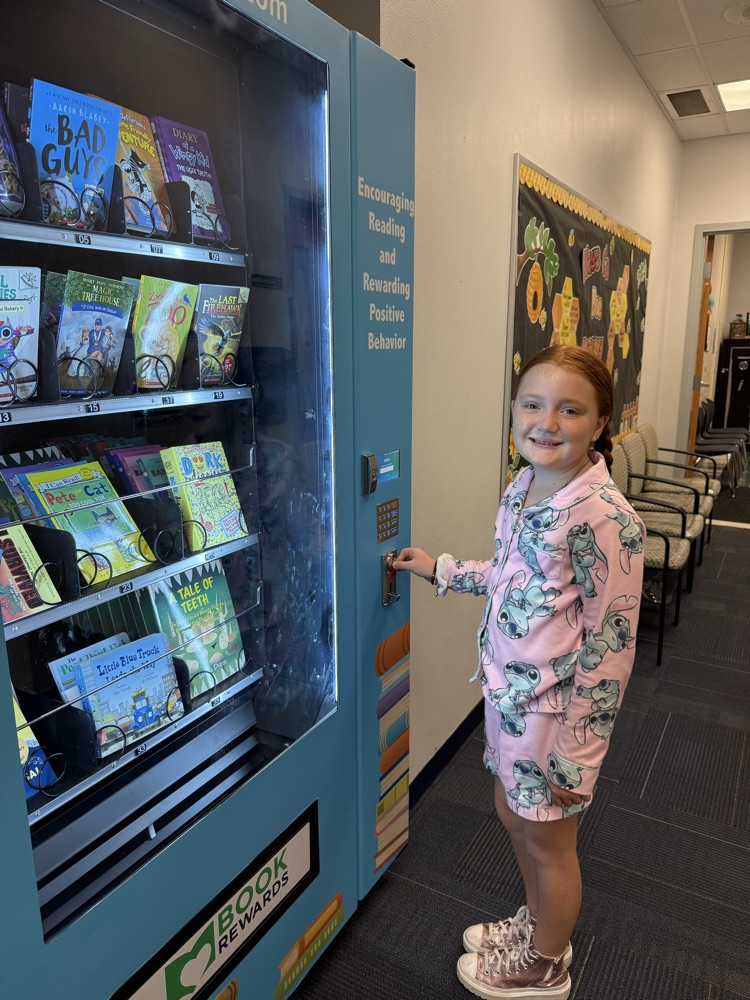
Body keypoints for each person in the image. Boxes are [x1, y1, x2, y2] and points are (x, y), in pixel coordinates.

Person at [393, 345, 644, 1000]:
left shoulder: (607, 520)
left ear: (600, 422)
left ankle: (547, 963)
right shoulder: (526, 483)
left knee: (549, 839)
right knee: (511, 811)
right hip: (509, 698)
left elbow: (611, 648)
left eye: (570, 409)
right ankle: (537, 926)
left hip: (556, 716)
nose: (546, 421)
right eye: (532, 404)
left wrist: (576, 757)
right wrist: (443, 569)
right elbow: (514, 580)